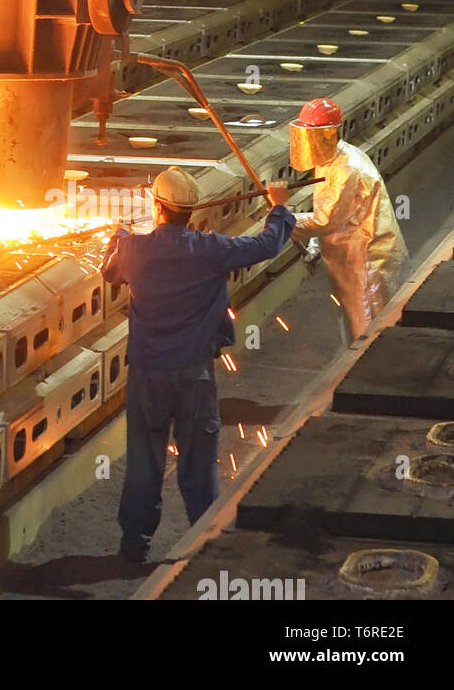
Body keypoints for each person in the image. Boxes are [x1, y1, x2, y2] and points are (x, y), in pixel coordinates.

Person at [102, 166, 295, 564]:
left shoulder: (134, 250)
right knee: (198, 462)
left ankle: (134, 545)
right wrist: (278, 208)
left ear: (157, 207)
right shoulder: (211, 250)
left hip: (147, 376)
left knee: (144, 461)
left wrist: (118, 236)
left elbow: (109, 271)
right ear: (190, 212)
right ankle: (206, 543)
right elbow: (266, 245)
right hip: (194, 374)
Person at [288, 98, 408, 344]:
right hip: (348, 256)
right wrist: (315, 246)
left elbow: (326, 221)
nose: (309, 144)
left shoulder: (347, 168)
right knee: (354, 324)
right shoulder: (330, 158)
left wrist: (283, 221)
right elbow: (329, 209)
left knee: (369, 330)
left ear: (329, 134)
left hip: (366, 259)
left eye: (313, 137)